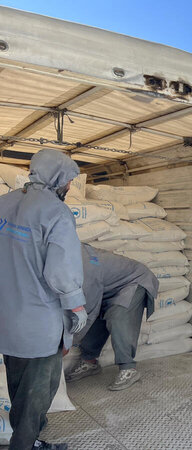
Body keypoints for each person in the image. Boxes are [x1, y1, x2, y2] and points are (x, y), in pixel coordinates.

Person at [0, 149, 87, 450]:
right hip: (39, 326)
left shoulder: (3, 203)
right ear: (58, 177)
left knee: (19, 390)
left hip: (8, 322)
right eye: (68, 181)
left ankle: (30, 442)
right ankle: (24, 445)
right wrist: (76, 306)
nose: (69, 188)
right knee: (37, 395)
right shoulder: (55, 211)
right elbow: (62, 271)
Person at [65, 244, 159, 391]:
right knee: (100, 315)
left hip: (133, 281)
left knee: (118, 316)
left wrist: (68, 341)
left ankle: (128, 368)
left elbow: (88, 311)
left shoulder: (84, 267)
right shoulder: (62, 258)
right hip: (109, 287)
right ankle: (89, 361)